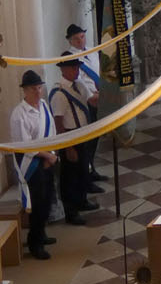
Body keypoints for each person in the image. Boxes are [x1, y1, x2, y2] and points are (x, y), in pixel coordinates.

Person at [9, 71, 58, 260]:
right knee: (37, 203)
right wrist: (47, 157)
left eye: (39, 88)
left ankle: (42, 233)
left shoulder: (44, 106)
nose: (38, 92)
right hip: (30, 164)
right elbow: (25, 145)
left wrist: (51, 155)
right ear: (25, 91)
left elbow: (52, 132)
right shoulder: (19, 115)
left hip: (46, 159)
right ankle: (34, 243)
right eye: (33, 89)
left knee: (47, 200)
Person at [48, 55, 99, 225]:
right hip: (69, 135)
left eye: (77, 68)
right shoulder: (59, 92)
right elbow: (58, 121)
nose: (77, 71)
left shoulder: (79, 85)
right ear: (64, 70)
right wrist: (68, 147)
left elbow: (92, 100)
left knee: (83, 169)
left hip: (82, 133)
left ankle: (82, 201)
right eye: (73, 68)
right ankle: (71, 210)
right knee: (70, 175)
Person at [64, 25, 104, 180]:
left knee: (96, 136)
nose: (80, 41)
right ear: (70, 40)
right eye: (76, 38)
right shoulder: (69, 57)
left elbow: (99, 71)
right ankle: (86, 171)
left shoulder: (92, 51)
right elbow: (78, 80)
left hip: (100, 95)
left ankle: (91, 167)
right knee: (88, 137)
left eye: (82, 37)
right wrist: (90, 95)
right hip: (87, 99)